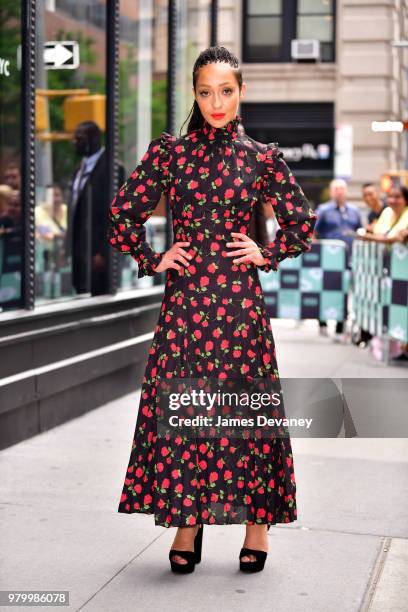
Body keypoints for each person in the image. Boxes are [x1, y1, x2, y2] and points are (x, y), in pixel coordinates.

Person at [107, 46, 317, 574]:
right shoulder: (170, 155)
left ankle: (257, 526)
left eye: (226, 91)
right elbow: (121, 217)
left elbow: (301, 223)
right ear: (195, 95)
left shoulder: (261, 158)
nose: (216, 102)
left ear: (241, 92)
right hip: (184, 309)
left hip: (240, 308)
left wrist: (265, 253)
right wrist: (155, 258)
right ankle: (187, 522)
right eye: (205, 92)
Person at [67, 121, 125, 296]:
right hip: (79, 250)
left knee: (99, 295)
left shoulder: (112, 168)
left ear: (93, 139)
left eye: (80, 138)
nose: (75, 142)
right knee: (81, 293)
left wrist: (103, 251)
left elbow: (117, 213)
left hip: (99, 254)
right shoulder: (78, 170)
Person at [314, 178, 363, 338]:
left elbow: (360, 232)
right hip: (328, 261)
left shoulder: (354, 211)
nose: (339, 192)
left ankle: (341, 326)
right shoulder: (323, 210)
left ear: (346, 191)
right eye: (336, 189)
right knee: (325, 290)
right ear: (331, 191)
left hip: (349, 259)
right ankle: (322, 322)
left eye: (342, 189)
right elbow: (313, 233)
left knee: (343, 291)